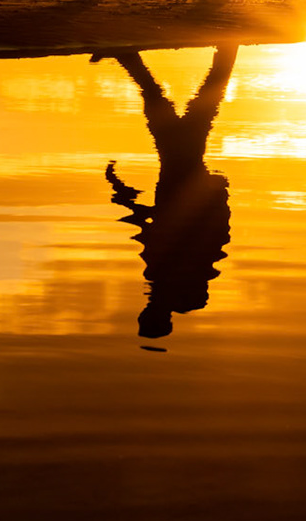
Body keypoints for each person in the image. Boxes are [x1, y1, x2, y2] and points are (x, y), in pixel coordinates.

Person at [101, 47, 237, 341]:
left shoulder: (159, 279)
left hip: (181, 171)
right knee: (176, 99)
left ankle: (127, 55)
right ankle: (228, 46)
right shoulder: (169, 278)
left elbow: (150, 226)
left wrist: (122, 194)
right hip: (184, 172)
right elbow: (155, 227)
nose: (147, 309)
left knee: (176, 99)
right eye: (149, 315)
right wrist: (123, 196)